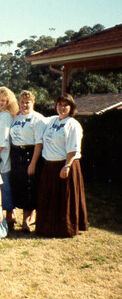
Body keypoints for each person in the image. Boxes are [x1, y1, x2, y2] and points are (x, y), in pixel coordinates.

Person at [37, 94, 88, 238]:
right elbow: (37, 119)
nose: (62, 108)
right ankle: (48, 228)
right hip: (50, 165)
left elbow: (73, 149)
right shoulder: (52, 120)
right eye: (59, 104)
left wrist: (67, 166)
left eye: (65, 105)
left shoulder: (73, 124)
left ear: (71, 108)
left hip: (65, 165)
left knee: (65, 198)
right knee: (50, 198)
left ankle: (65, 229)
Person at [9, 90, 46, 232]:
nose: (25, 105)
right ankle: (19, 218)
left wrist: (33, 163)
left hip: (30, 154)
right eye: (22, 102)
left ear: (33, 103)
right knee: (20, 187)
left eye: (27, 102)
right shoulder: (16, 117)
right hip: (16, 154)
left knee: (30, 188)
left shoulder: (38, 119)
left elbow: (39, 143)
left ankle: (27, 222)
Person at [0, 86, 18, 229]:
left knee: (4, 186)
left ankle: (10, 216)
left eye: (3, 100)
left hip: (1, 157)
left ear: (8, 102)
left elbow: (3, 138)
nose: (0, 103)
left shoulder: (6, 116)